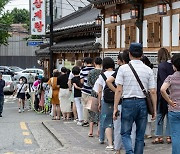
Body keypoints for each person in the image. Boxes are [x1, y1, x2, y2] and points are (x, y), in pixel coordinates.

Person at [114, 43, 157, 154]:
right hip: (142, 103)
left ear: (129, 54)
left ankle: (129, 152)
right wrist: (154, 109)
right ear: (142, 54)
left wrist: (115, 108)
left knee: (125, 133)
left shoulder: (123, 69)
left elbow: (118, 90)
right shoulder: (148, 70)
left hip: (127, 102)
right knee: (140, 135)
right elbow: (152, 91)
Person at [107, 50, 136, 154]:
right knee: (132, 128)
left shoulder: (121, 69)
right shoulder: (137, 68)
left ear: (123, 60)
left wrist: (117, 92)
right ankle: (131, 149)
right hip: (135, 100)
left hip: (122, 101)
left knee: (119, 126)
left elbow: (108, 81)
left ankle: (118, 149)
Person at [152, 48, 174, 144]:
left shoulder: (161, 66)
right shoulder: (173, 65)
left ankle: (159, 136)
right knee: (169, 115)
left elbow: (162, 80)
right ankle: (169, 136)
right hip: (172, 93)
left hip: (162, 93)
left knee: (160, 114)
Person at [161, 53, 180, 154]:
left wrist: (169, 101)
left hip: (174, 109)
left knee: (176, 135)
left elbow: (162, 89)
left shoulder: (170, 77)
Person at [96, 57, 115, 150]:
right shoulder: (117, 73)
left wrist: (99, 102)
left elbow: (99, 91)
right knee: (116, 120)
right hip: (117, 99)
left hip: (106, 100)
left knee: (106, 120)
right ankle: (116, 140)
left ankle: (108, 142)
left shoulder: (102, 76)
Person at [87, 57, 102, 137]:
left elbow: (88, 83)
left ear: (94, 63)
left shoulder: (91, 72)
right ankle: (99, 131)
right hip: (101, 92)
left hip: (92, 92)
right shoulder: (103, 72)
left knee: (91, 111)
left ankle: (90, 131)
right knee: (100, 111)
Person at [141, 56, 154, 139]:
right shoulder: (150, 71)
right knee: (147, 116)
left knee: (146, 116)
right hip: (148, 94)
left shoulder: (147, 71)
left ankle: (146, 132)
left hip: (146, 94)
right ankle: (148, 132)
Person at [80, 57, 94, 127]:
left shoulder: (83, 70)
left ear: (85, 62)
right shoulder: (94, 69)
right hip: (93, 91)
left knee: (85, 106)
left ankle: (86, 121)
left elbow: (82, 81)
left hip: (85, 90)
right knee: (92, 106)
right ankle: (93, 120)